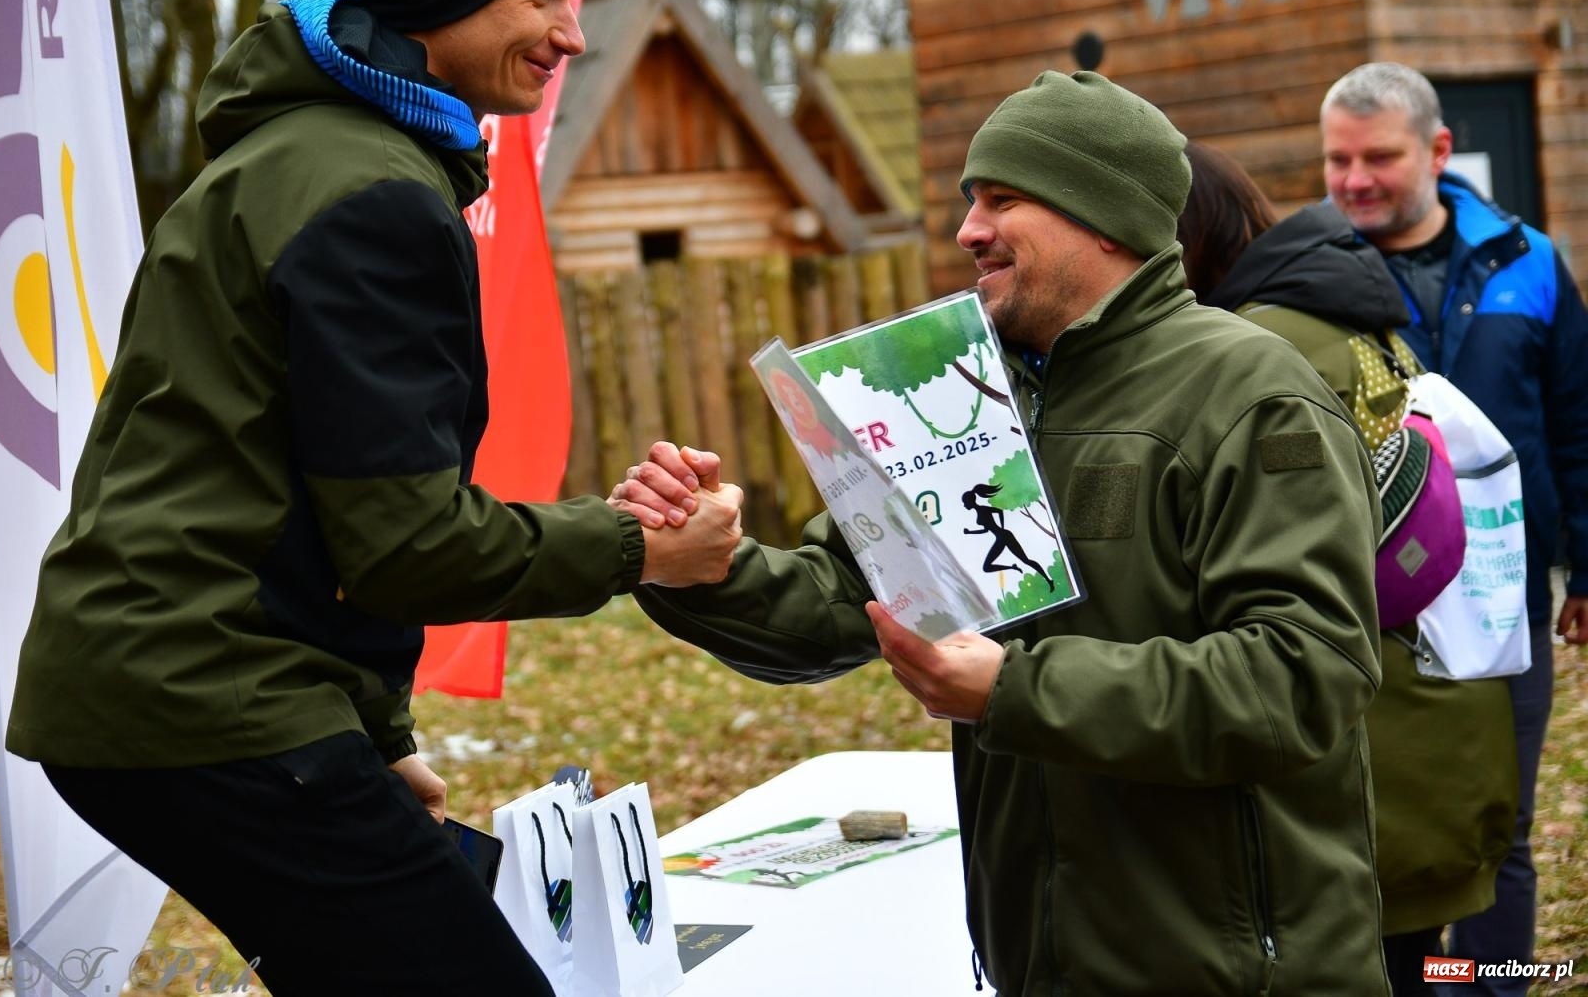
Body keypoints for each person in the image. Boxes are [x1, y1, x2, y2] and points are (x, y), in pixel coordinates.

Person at [4, 0, 741, 993]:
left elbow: (289, 494)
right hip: (208, 697)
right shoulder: (372, 195)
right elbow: (410, 547)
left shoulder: (300, 156)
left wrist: (373, 733)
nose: (571, 34)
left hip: (168, 685)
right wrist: (644, 548)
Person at [614, 71, 1392, 995]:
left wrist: (1016, 691)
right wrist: (692, 560)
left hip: (1236, 971)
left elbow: (1305, 677)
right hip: (1042, 960)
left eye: (1003, 200)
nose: (968, 230)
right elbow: (840, 600)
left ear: (1107, 220)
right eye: (970, 201)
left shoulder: (1252, 397)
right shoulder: (965, 404)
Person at [1177, 141, 1519, 995]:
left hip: (1380, 748)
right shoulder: (1336, 314)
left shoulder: (1257, 347)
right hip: (1435, 713)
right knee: (1421, 965)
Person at [1320, 62, 1588, 991]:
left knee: (1499, 825)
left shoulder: (1527, 262)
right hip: (1379, 609)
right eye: (1338, 160)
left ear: (1438, 150)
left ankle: (1489, 984)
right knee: (1395, 830)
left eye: (1378, 158)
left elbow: (1576, 421)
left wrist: (1585, 569)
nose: (1354, 179)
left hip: (1505, 596)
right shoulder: (1315, 280)